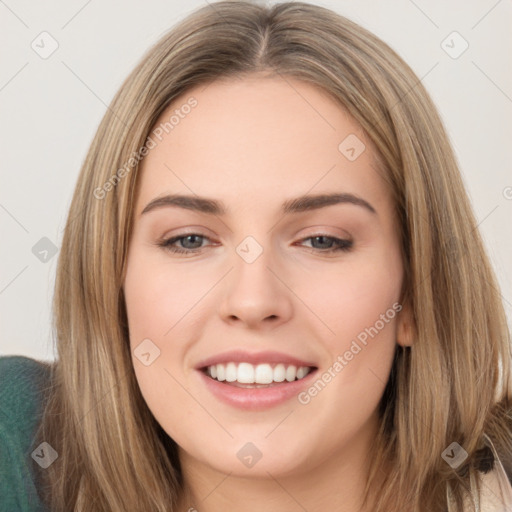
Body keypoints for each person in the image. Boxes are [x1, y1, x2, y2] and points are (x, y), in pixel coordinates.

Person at [1, 1, 511, 511]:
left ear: (417, 290)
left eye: (322, 240)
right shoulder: (17, 449)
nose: (252, 300)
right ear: (114, 281)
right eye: (189, 240)